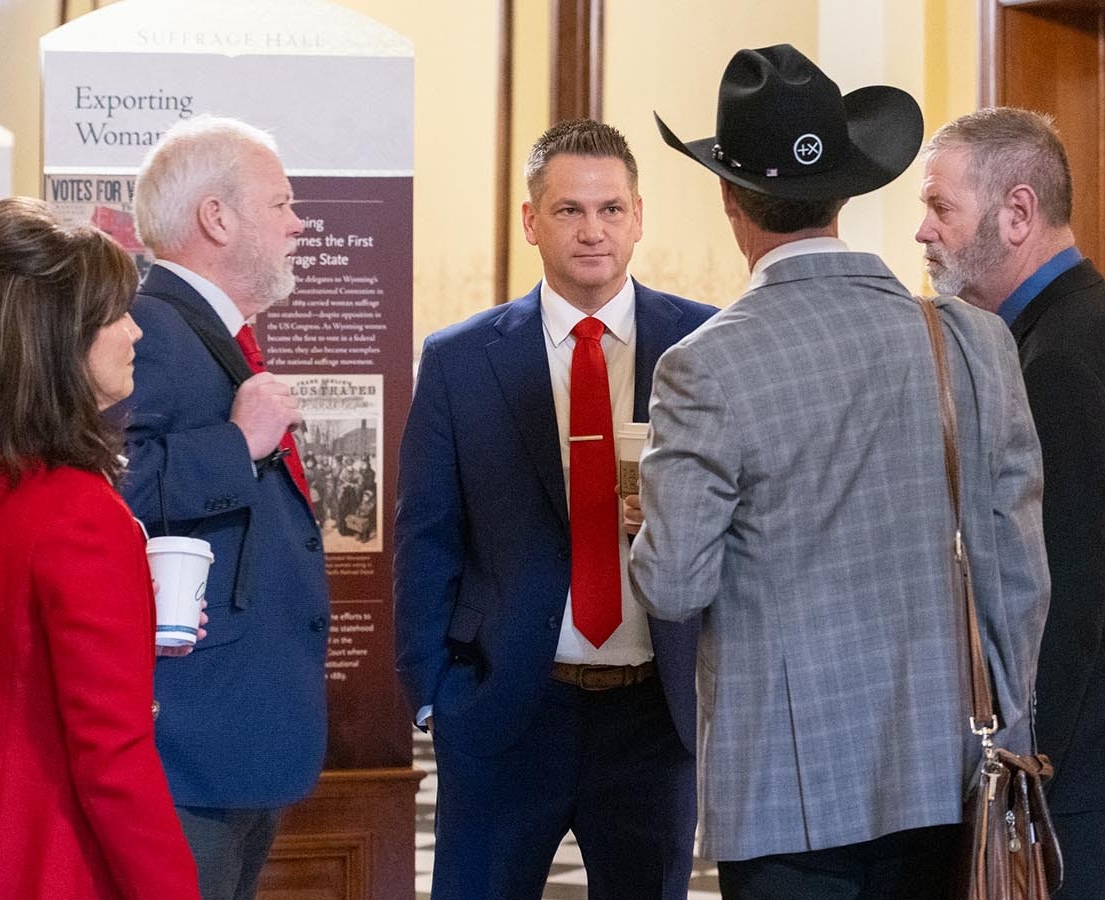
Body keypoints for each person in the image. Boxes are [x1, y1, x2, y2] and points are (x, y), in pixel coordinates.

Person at [629, 45, 1049, 899]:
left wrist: (646, 526)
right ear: (844, 194)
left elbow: (674, 585)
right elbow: (1017, 577)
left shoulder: (704, 366)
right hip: (952, 769)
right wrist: (1007, 731)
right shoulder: (974, 340)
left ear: (728, 198)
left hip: (788, 797)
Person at [394, 119, 715, 900]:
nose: (593, 230)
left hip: (656, 713)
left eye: (610, 209)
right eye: (569, 210)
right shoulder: (459, 360)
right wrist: (435, 697)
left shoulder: (708, 344)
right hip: (506, 709)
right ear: (532, 221)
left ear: (640, 215)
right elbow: (426, 537)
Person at [915, 106, 1105, 899]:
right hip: (1104, 752)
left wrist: (1025, 760)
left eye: (940, 206)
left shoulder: (1067, 353)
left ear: (1017, 213)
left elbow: (1063, 588)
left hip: (1082, 764)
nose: (923, 231)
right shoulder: (1074, 326)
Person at [0, 197, 198, 899]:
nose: (135, 332)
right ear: (61, 339)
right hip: (36, 864)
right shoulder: (80, 517)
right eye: (115, 315)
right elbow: (111, 758)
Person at [117, 115, 329, 900]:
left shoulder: (202, 328)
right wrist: (238, 444)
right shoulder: (154, 331)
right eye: (281, 204)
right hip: (190, 737)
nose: (298, 223)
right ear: (217, 217)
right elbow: (106, 490)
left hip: (231, 732)